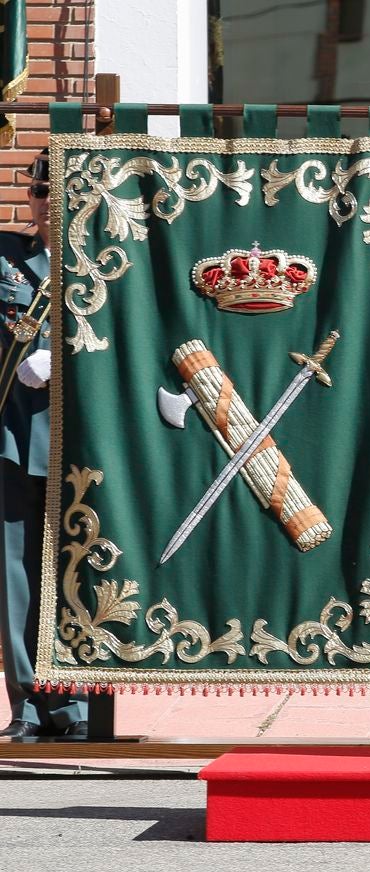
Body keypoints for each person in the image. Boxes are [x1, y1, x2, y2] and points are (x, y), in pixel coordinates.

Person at [0, 149, 88, 738]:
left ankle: (78, 703)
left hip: (81, 440)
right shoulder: (6, 257)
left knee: (81, 572)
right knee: (15, 573)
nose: (45, 202)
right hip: (12, 433)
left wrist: (64, 355)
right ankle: (29, 705)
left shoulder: (104, 260)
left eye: (56, 191)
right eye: (37, 191)